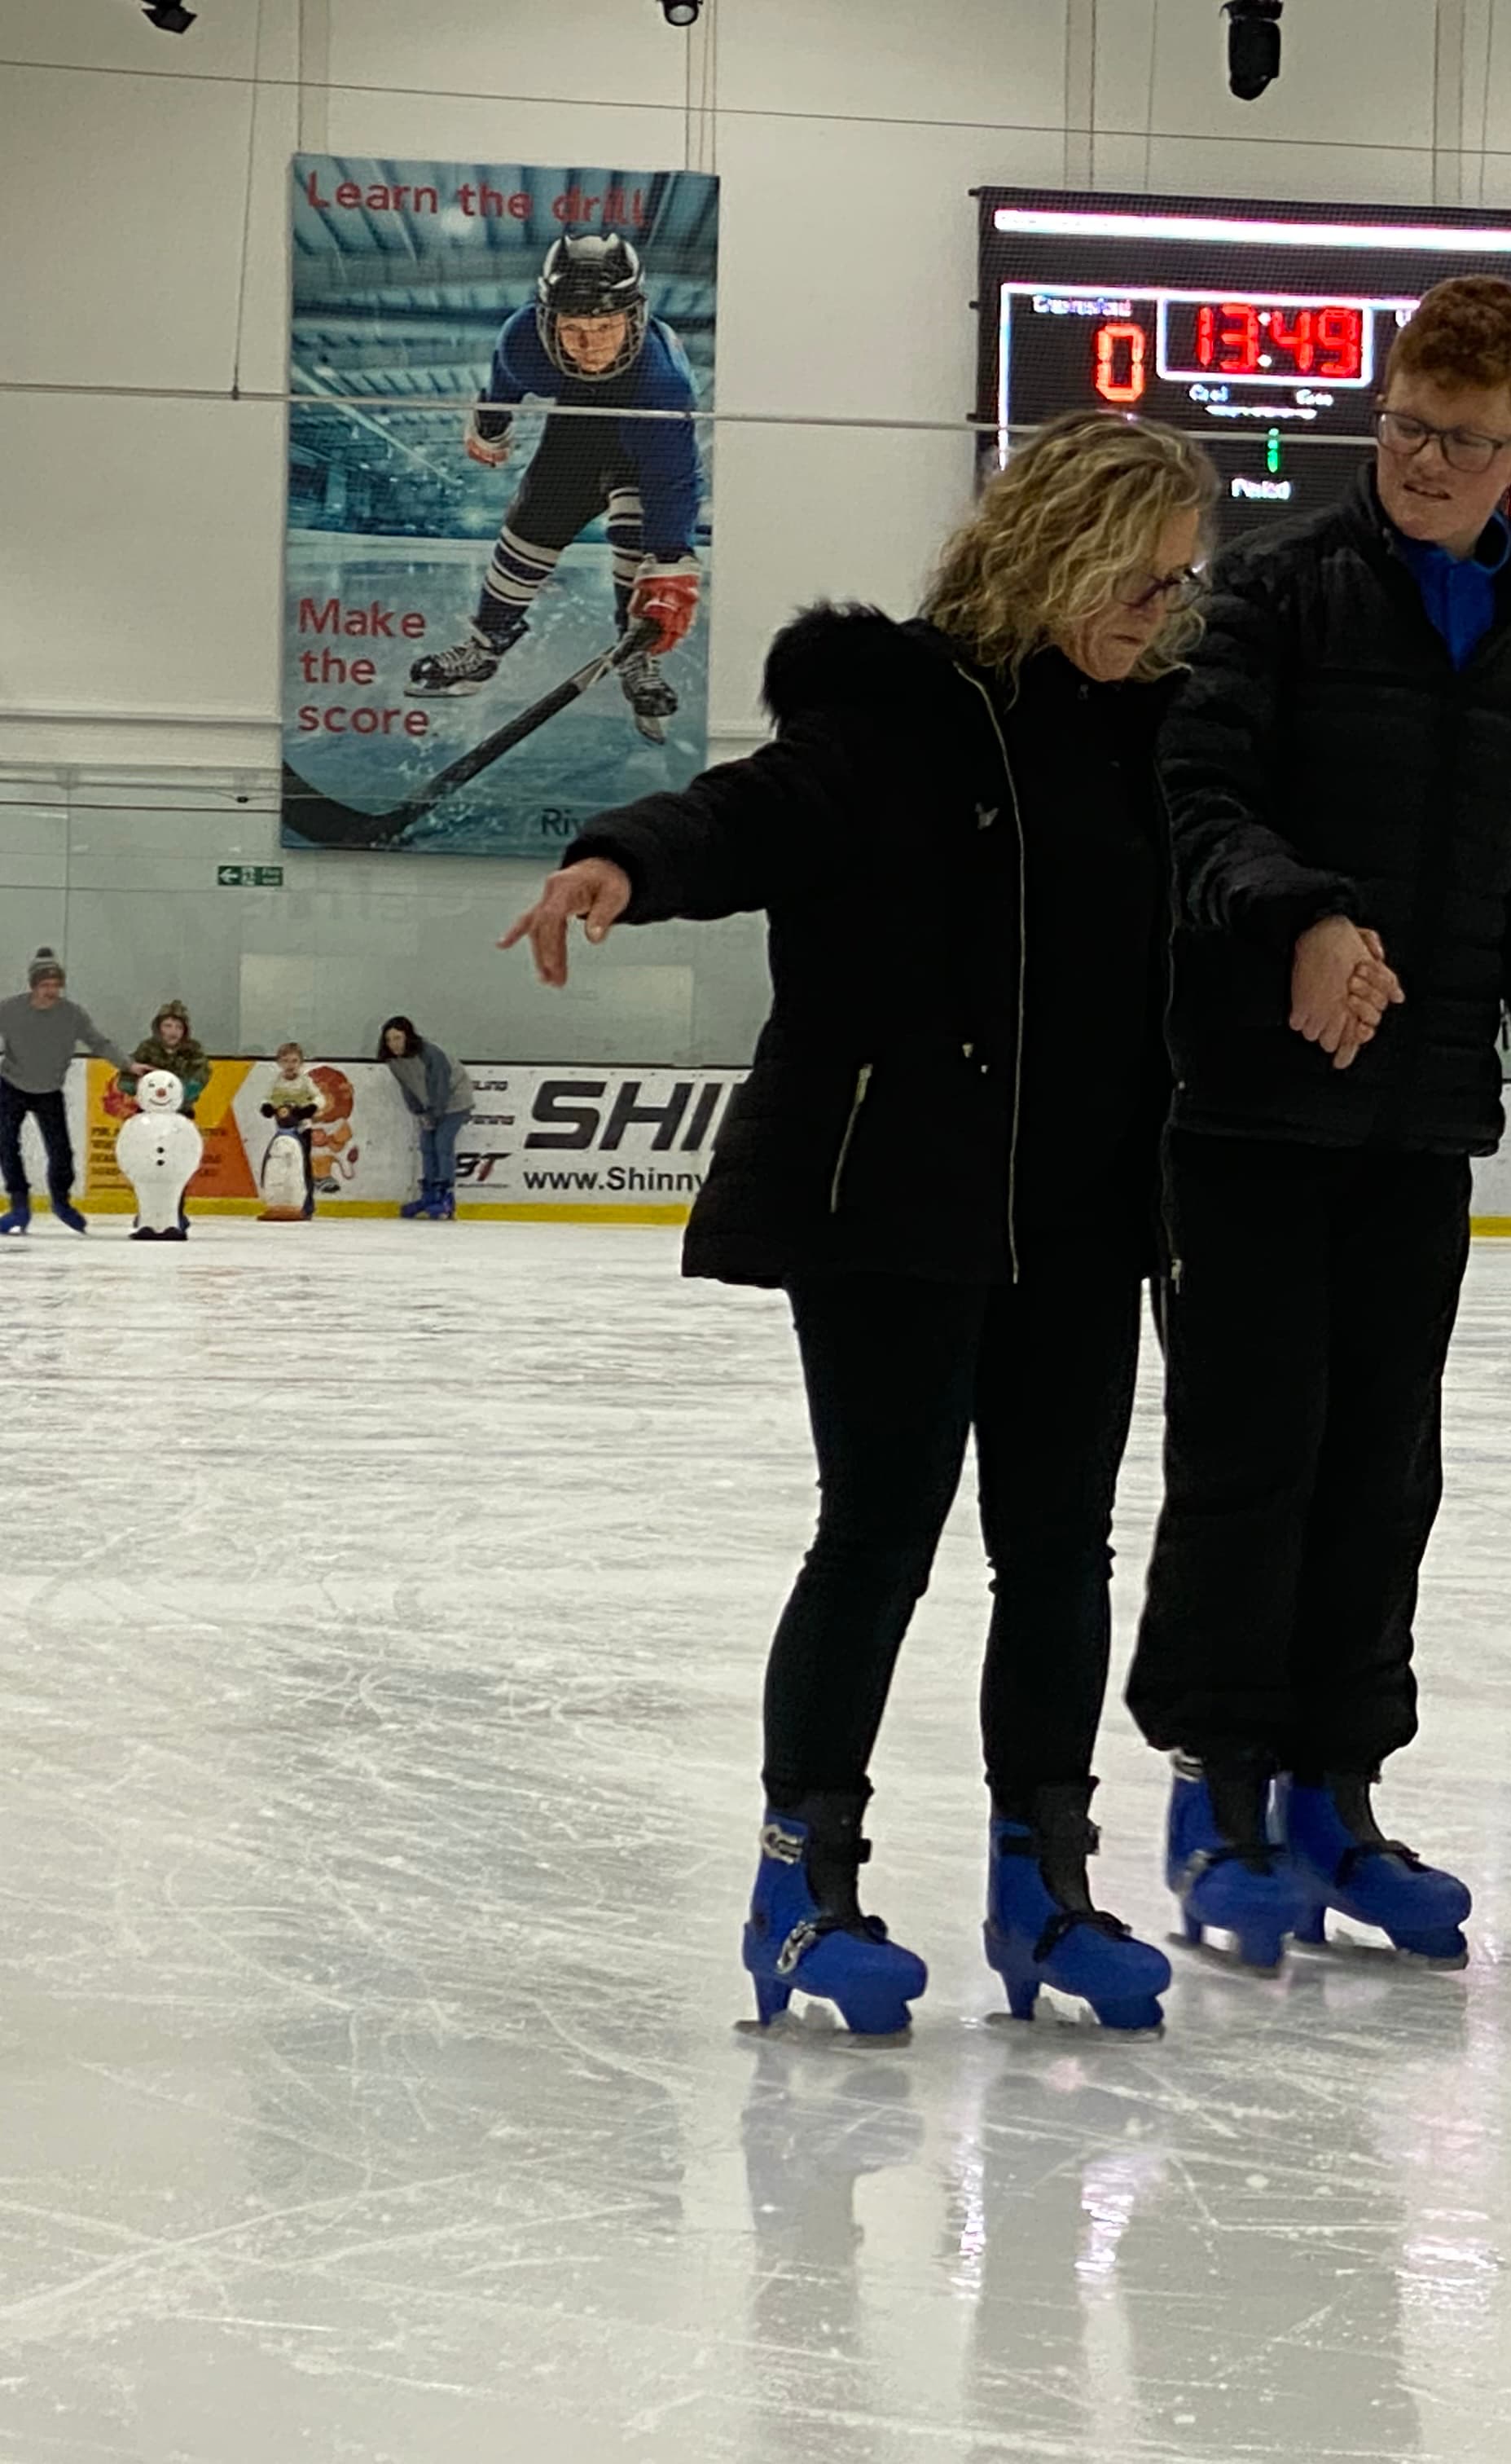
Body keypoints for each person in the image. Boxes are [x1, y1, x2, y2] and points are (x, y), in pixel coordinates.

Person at [500, 411, 1222, 2039]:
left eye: (1180, 585)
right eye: (1141, 579)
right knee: (880, 1536)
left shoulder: (1159, 738)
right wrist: (620, 861)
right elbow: (744, 816)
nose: (1161, 612)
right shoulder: (894, 715)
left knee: (1060, 1551)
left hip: (1082, 1213)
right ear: (1059, 552)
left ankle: (1044, 1891)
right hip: (893, 1194)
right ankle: (801, 1890)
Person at [1134, 274, 1511, 1973]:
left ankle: (1336, 1792)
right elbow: (1190, 801)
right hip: (1243, 1111)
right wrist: (1303, 913)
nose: (1431, 462)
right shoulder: (1271, 593)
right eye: (1413, 427)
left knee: (1381, 1469)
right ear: (1381, 415)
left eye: (1469, 442)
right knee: (1250, 1454)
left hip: (1418, 1127)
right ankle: (1220, 1789)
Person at [405, 236, 702, 741]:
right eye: (573, 329)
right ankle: (485, 646)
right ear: (547, 320)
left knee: (641, 538)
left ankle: (639, 655)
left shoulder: (665, 380)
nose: (591, 347)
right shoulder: (523, 339)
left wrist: (671, 565)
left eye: (605, 327)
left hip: (642, 445)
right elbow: (503, 384)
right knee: (528, 531)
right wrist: (493, 424)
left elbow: (674, 482)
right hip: (576, 434)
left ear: (634, 317)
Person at [2, 952, 125, 1235]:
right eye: (45, 985)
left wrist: (128, 1065)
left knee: (60, 1151)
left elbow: (99, 1042)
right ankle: (19, 1206)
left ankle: (60, 1201)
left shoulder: (72, 1015)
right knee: (6, 1146)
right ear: (33, 985)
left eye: (56, 985)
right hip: (11, 1086)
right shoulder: (9, 1010)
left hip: (49, 1090)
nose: (51, 991)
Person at [121, 1001, 213, 1234]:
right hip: (148, 1117)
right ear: (159, 1027)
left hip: (180, 1116)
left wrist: (185, 1091)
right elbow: (126, 1076)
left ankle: (175, 1212)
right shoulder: (147, 1049)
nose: (173, 1032)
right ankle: (147, 1213)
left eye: (178, 1027)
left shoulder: (193, 1051)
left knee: (175, 1166)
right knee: (147, 1165)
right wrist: (135, 1085)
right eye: (168, 1025)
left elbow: (202, 1075)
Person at [378, 1018, 473, 1221]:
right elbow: (408, 1087)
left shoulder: (430, 1054)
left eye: (398, 1038)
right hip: (430, 1105)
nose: (393, 1044)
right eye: (389, 1039)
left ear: (408, 1037)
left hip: (455, 1100)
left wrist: (435, 1113)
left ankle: (446, 1196)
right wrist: (419, 1112)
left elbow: (440, 1084)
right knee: (427, 1146)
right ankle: (430, 1194)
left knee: (442, 1143)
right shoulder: (394, 1061)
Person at [259, 1042, 326, 1221]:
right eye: (286, 1061)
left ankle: (307, 1205)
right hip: (282, 1130)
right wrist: (267, 1107)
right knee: (279, 1163)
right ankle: (281, 1200)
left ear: (301, 1063)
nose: (290, 1065)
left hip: (302, 1129)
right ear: (279, 1063)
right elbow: (267, 1098)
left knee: (303, 1166)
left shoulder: (305, 1081)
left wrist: (311, 1108)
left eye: (295, 1061)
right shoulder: (276, 1082)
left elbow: (320, 1098)